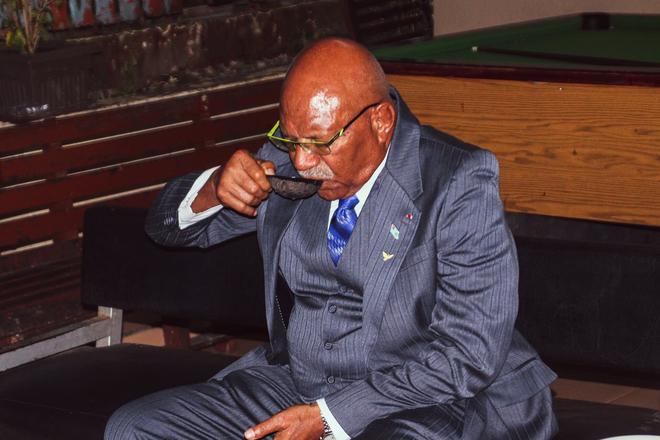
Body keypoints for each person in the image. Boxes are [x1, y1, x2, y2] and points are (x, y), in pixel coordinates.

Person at [105, 38, 557, 440]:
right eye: (290, 138)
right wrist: (214, 187)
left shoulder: (457, 180)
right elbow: (163, 226)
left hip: (430, 397)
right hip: (298, 381)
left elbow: (468, 355)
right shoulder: (290, 160)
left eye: (321, 142)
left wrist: (330, 417)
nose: (301, 162)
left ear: (381, 122)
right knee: (134, 430)